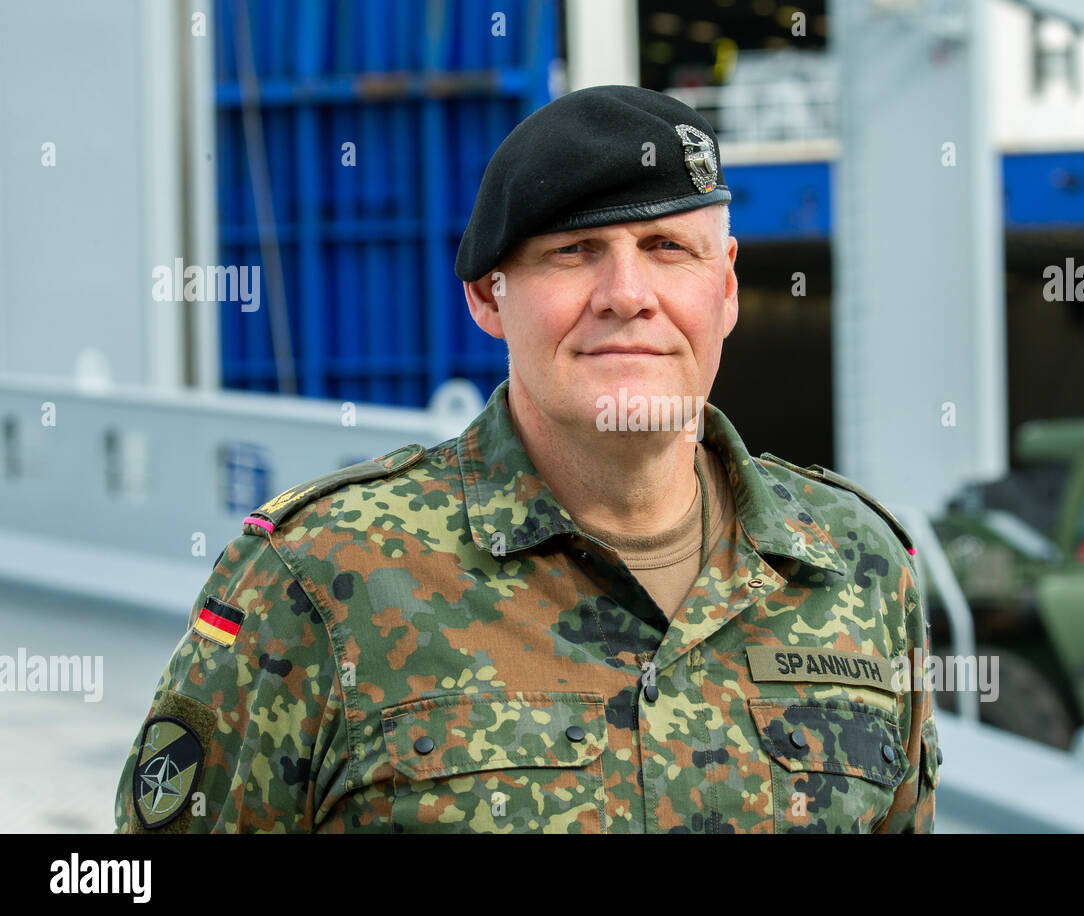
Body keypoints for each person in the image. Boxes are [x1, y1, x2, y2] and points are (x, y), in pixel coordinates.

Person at [114, 85, 939, 834]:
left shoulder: (858, 568)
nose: (627, 293)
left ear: (724, 288)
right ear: (487, 296)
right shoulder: (321, 579)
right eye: (574, 252)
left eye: (666, 248)